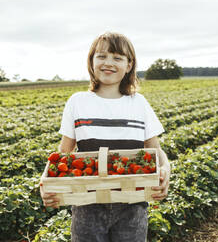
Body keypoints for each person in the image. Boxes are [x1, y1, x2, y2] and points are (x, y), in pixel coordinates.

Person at [40, 32, 171, 242]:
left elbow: (155, 150)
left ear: (129, 65)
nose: (108, 63)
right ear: (91, 62)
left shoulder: (139, 103)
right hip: (87, 205)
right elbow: (64, 152)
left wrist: (166, 169)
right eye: (101, 56)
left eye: (117, 58)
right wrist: (48, 184)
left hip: (133, 205)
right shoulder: (77, 102)